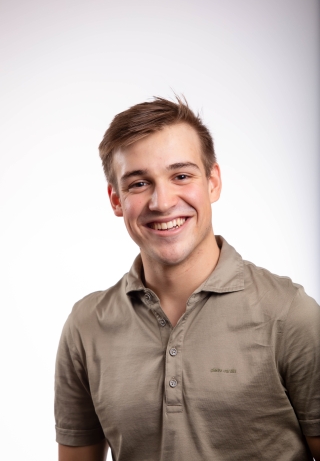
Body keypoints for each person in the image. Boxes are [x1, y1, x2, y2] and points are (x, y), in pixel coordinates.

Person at [55, 96, 320, 461]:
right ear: (116, 200)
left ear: (213, 183)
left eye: (181, 176)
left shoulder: (290, 314)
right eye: (138, 183)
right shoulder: (86, 326)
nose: (162, 202)